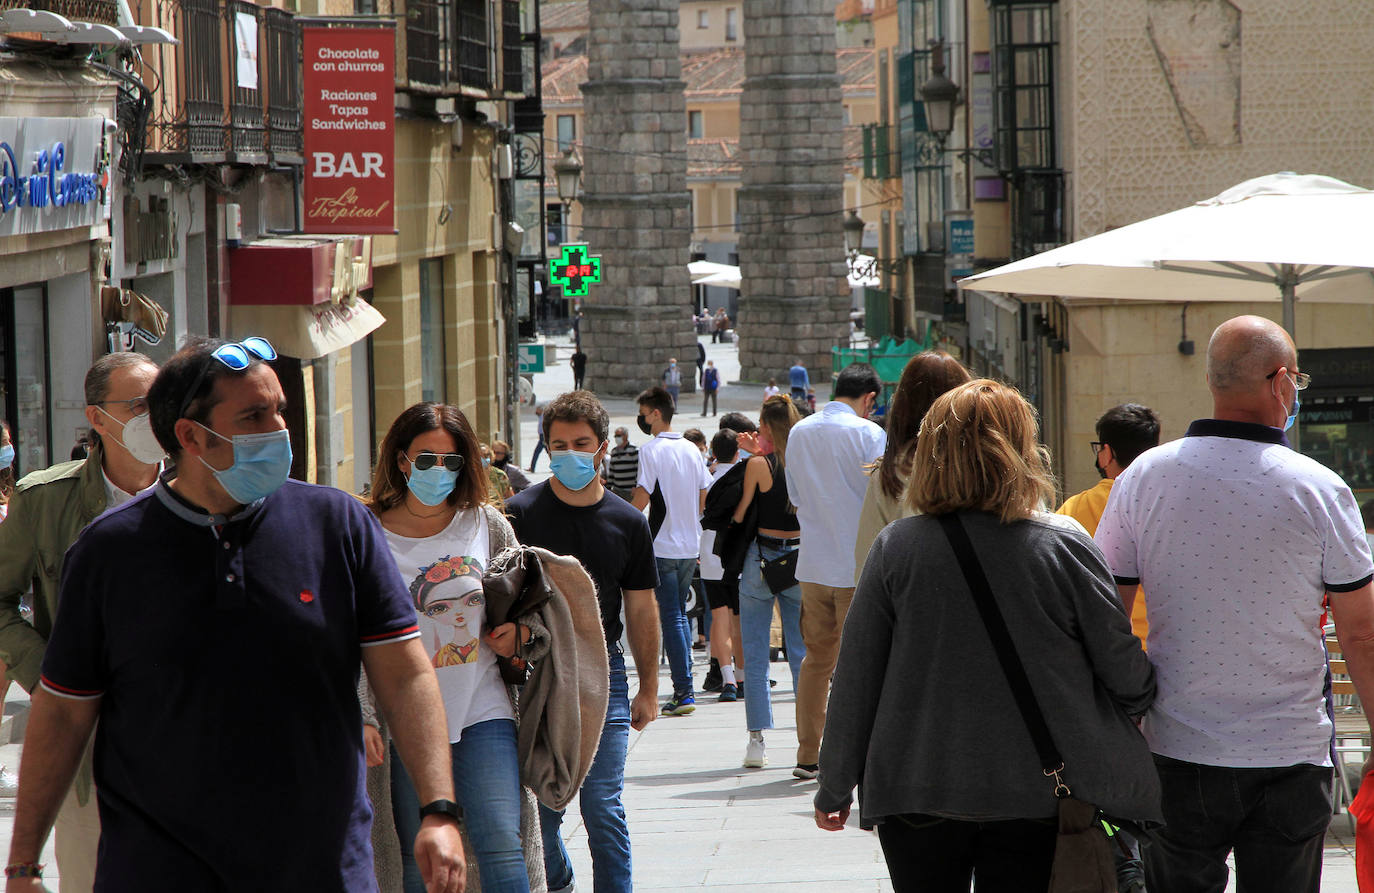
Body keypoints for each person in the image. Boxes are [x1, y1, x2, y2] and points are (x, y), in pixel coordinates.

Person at [4, 337, 466, 891]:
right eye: (253, 415)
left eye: (278, 411)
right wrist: (24, 864)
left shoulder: (338, 525)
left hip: (320, 869)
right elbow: (64, 713)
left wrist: (438, 810)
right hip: (159, 871)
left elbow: (406, 671)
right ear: (190, 436)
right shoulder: (109, 551)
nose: (277, 429)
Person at [815, 380, 1161, 891]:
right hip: (1036, 791)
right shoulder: (1062, 545)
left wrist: (834, 785)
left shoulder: (896, 549)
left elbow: (856, 677)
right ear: (1023, 451)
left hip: (916, 788)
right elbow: (1124, 670)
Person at [1095, 315, 1374, 893]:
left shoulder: (1143, 477)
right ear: (1278, 383)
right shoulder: (1321, 488)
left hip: (1178, 745)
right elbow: (1362, 633)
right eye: (1296, 379)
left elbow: (1104, 616)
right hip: (1291, 751)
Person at [0, 352, 163, 888]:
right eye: (138, 405)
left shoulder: (208, 490)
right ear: (98, 419)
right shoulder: (46, 500)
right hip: (88, 752)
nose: (153, 415)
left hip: (189, 739)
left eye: (161, 401)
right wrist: (50, 677)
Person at [369, 403, 546, 893]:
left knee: (501, 845)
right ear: (402, 461)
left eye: (452, 461)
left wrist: (519, 636)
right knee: (415, 857)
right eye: (426, 460)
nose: (439, 471)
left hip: (482, 707)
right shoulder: (365, 528)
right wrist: (362, 711)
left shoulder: (487, 525)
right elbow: (350, 632)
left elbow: (526, 607)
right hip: (403, 716)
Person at [505, 390, 662, 893]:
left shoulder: (628, 522)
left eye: (581, 443)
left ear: (601, 449)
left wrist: (649, 688)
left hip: (605, 673)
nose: (569, 453)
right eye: (558, 444)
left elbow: (641, 607)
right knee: (544, 808)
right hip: (536, 674)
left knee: (602, 803)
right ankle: (560, 880)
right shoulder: (519, 514)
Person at [784, 363, 885, 780]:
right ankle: (855, 756)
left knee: (816, 662)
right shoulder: (869, 433)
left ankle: (808, 754)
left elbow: (793, 495)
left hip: (813, 565)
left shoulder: (799, 431)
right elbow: (883, 496)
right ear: (869, 399)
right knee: (859, 666)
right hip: (856, 565)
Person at [731, 396, 807, 768]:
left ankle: (757, 741)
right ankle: (809, 737)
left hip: (761, 558)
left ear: (767, 428)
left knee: (757, 652)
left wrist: (750, 456)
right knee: (801, 653)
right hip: (798, 558)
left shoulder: (758, 465)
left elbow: (742, 511)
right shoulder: (804, 461)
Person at [632, 386, 711, 716]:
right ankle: (685, 688)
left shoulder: (650, 451)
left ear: (655, 414)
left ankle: (684, 691)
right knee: (678, 613)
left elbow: (641, 499)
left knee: (674, 617)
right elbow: (705, 492)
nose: (641, 418)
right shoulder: (693, 449)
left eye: (643, 412)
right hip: (689, 543)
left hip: (662, 544)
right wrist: (689, 518)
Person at [854, 352, 970, 576]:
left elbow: (867, 568)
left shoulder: (890, 474)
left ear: (903, 404)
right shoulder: (992, 468)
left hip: (918, 603)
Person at [1056, 403, 1160, 645]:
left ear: (1106, 452)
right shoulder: (1167, 502)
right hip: (1164, 648)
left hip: (1107, 650)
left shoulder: (1074, 509)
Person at [699, 429, 743, 701]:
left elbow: (701, 514)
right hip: (737, 553)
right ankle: (742, 674)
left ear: (714, 451)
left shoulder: (710, 478)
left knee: (719, 617)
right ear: (738, 452)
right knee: (739, 619)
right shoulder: (746, 476)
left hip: (710, 552)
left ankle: (727, 679)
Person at [604, 427, 639, 502]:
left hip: (630, 491)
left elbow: (639, 470)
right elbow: (612, 472)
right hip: (617, 491)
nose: (616, 438)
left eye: (618, 436)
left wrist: (636, 486)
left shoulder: (634, 450)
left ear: (625, 436)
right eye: (615, 436)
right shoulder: (614, 451)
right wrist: (608, 488)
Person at [528, 404, 548, 472]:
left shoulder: (544, 417)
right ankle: (532, 468)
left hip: (543, 437)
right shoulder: (540, 417)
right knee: (549, 452)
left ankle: (532, 468)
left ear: (540, 410)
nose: (536, 411)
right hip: (542, 436)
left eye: (537, 410)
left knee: (537, 452)